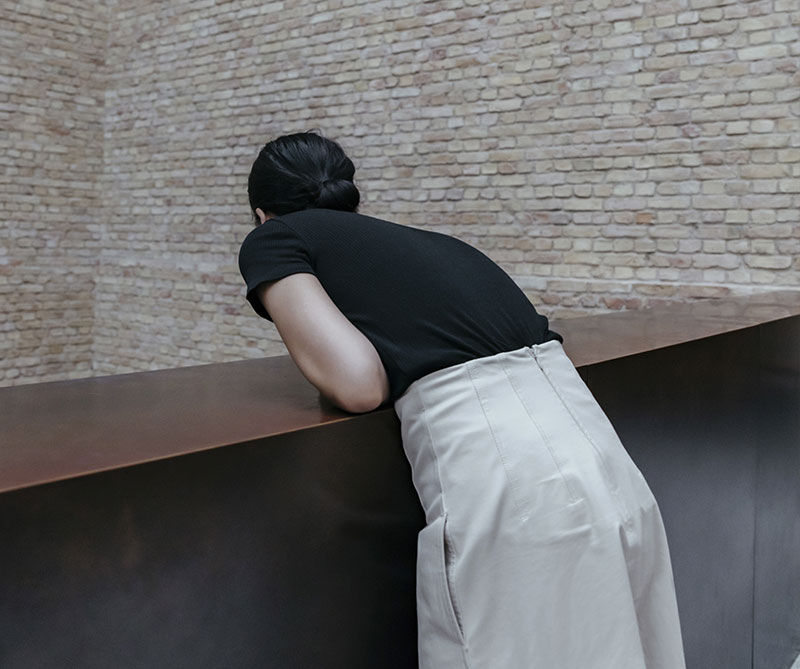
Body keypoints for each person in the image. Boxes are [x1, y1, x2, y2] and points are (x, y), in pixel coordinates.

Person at [238, 131, 686, 668]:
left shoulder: (275, 238)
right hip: (606, 465)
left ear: (262, 214)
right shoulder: (434, 245)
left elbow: (359, 386)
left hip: (509, 483)